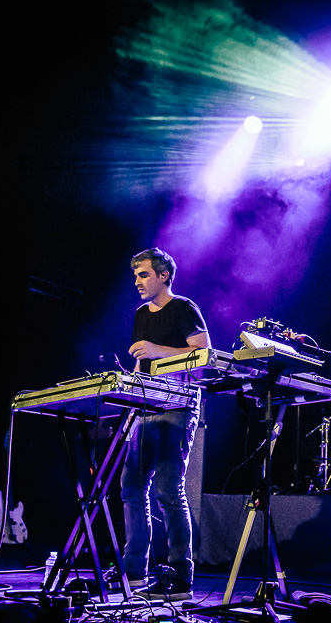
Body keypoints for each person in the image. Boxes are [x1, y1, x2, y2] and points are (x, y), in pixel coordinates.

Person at [119, 247, 210, 601]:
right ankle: (133, 571)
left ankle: (180, 576)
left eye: (143, 274)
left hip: (178, 403)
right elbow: (141, 363)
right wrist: (129, 395)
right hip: (145, 404)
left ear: (163, 276)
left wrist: (157, 350)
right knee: (131, 487)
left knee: (168, 489)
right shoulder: (141, 314)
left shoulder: (184, 307)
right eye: (135, 275)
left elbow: (203, 355)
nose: (137, 281)